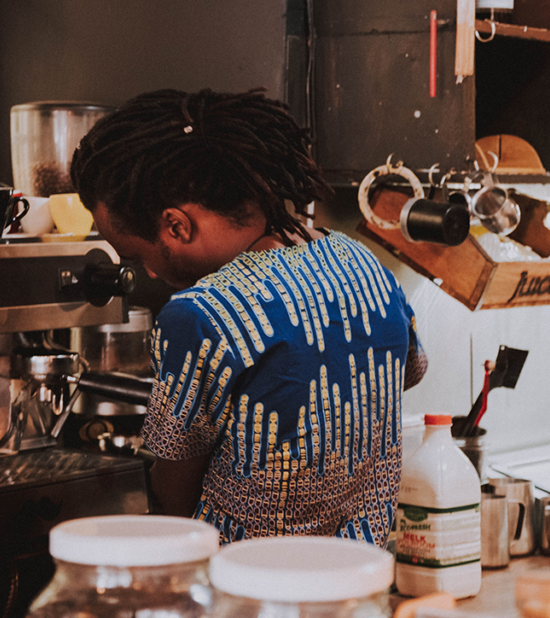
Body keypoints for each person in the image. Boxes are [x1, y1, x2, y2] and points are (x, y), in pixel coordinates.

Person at [70, 88, 426, 547]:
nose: (152, 273)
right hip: (354, 582)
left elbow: (173, 488)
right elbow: (411, 370)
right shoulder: (362, 261)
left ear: (177, 224)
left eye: (140, 258)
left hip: (247, 593)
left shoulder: (200, 313)